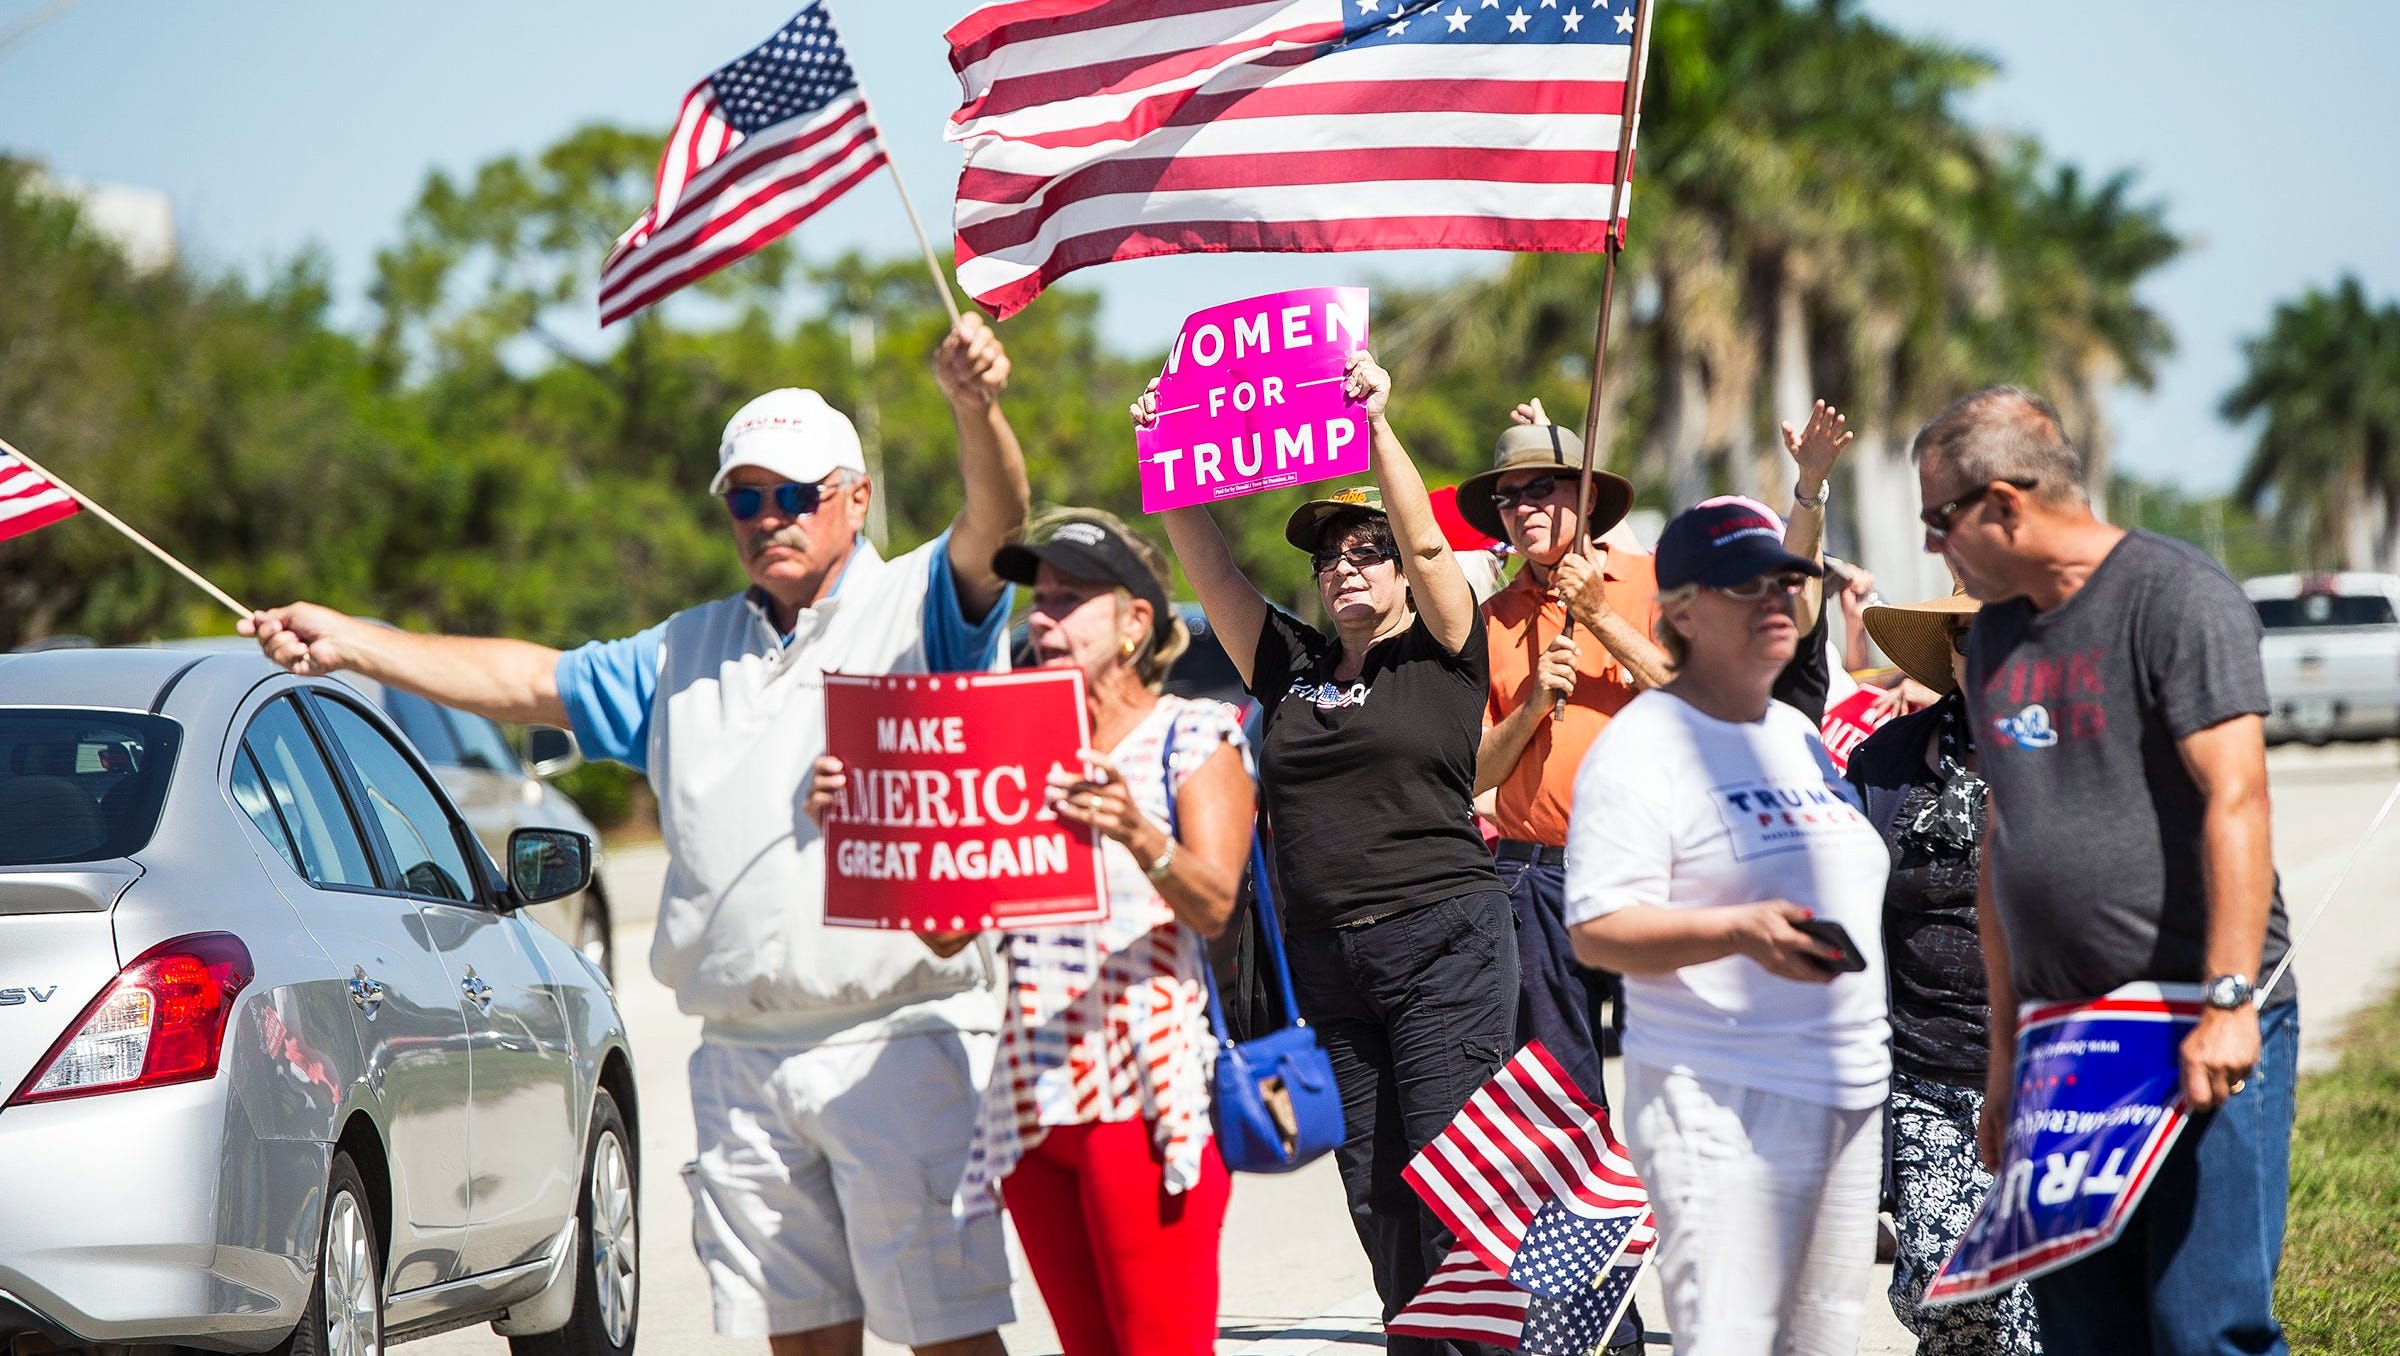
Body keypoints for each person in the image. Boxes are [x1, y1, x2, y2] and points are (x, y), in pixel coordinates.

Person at [243, 317, 1029, 1356]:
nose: (769, 518)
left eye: (795, 495)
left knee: (951, 1338)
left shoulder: (919, 606)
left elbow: (998, 522)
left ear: (855, 497)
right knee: (801, 1342)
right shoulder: (684, 650)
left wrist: (976, 408)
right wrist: (355, 644)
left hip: (896, 1039)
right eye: (745, 499)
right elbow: (529, 679)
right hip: (741, 1055)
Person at [1134, 354, 1521, 1356]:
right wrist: (1161, 453)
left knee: (1452, 1185)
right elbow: (1213, 575)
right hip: (1329, 963)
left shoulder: (1443, 650)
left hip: (1444, 945)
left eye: (1368, 551)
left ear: (1402, 572)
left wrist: (1378, 423)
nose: (1346, 566)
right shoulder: (1292, 667)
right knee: (1377, 1198)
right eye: (1330, 557)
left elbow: (1432, 546)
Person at [805, 512, 1252, 1356]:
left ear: (1135, 621)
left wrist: (1135, 831)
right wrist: (861, 823)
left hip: (1142, 1100)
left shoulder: (1189, 734)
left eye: (1071, 599)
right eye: (1040, 599)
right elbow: (948, 937)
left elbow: (1216, 904)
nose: (1043, 618)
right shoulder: (1014, 750)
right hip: (1031, 1104)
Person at [1914, 386, 2298, 1356]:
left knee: (2204, 1329)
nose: (1931, 544)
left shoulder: (2177, 597)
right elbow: (2004, 845)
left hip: (2192, 1017)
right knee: (2087, 1337)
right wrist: (2005, 1061)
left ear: (2005, 504)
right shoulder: (1993, 635)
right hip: (2068, 1043)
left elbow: (2238, 799)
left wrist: (2230, 999)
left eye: (1939, 518)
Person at [1565, 497, 1893, 1356]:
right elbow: (1596, 929)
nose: (1777, 599)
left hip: (1848, 1088)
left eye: (1786, 581)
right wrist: (1739, 932)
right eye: (1747, 586)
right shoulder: (1643, 745)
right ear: (1681, 612)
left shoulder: (1794, 732)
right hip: (1721, 1102)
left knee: (1822, 1344)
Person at [1845, 589, 2044, 1356]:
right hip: (1925, 1075)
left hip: (2050, 1073)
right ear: (1949, 654)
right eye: (1967, 637)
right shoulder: (1886, 762)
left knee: (2033, 1300)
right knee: (1944, 1279)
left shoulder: (2076, 754)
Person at [1461, 415, 1665, 1096]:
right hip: (1534, 875)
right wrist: (1529, 706)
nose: (1523, 508)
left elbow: (1697, 699)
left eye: (1541, 489)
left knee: (1670, 1079)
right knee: (1555, 1092)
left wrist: (1600, 614)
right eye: (1508, 498)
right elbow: (1474, 772)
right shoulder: (1492, 618)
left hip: (1649, 869)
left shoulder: (1654, 582)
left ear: (1586, 496)